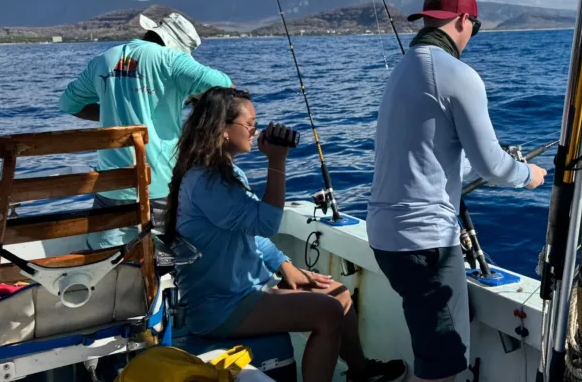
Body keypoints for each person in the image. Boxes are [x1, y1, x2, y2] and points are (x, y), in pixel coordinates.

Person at [367, 0, 548, 382]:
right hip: (424, 243)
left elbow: (435, 159)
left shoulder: (403, 69)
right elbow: (492, 166)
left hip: (386, 236)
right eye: (474, 28)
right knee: (443, 368)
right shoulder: (457, 73)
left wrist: (495, 165)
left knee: (438, 347)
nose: (471, 37)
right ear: (464, 20)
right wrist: (527, 175)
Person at [167, 87, 407, 382]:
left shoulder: (224, 175)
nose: (255, 130)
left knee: (341, 296)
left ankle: (360, 372)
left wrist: (285, 265)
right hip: (220, 307)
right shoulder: (207, 181)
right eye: (249, 124)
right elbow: (266, 224)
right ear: (223, 129)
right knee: (328, 313)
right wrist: (277, 160)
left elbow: (251, 234)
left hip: (243, 291)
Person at [58, 11, 232, 249]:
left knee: (107, 259)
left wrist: (111, 112)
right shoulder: (171, 59)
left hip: (111, 188)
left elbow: (68, 104)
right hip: (159, 186)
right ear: (175, 45)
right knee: (165, 257)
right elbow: (225, 85)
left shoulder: (103, 59)